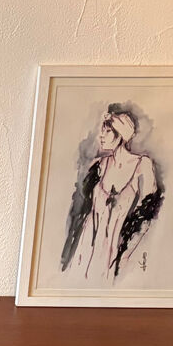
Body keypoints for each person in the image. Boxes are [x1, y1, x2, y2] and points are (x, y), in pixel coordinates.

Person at [60, 103, 164, 280]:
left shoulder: (142, 165)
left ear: (121, 135)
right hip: (86, 248)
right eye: (102, 130)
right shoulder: (98, 165)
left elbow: (146, 216)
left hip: (117, 249)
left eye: (107, 131)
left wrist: (125, 254)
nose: (100, 136)